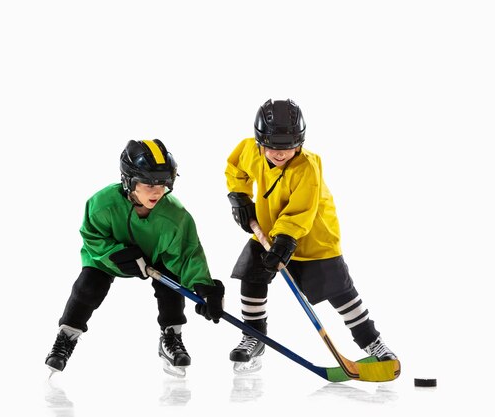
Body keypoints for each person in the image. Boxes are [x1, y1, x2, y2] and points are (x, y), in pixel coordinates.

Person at [225, 98, 397, 372]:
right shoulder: (249, 150)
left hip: (313, 237)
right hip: (269, 229)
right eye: (272, 147)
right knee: (252, 275)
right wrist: (239, 197)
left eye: (288, 147)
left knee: (339, 291)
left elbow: (300, 211)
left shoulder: (308, 167)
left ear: (300, 142)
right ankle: (253, 336)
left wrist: (284, 239)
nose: (280, 154)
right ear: (260, 141)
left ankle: (372, 342)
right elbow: (236, 169)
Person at [45, 139, 225, 377]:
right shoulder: (102, 204)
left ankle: (171, 336)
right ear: (129, 181)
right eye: (148, 183)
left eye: (163, 183)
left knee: (171, 289)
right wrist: (115, 254)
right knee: (88, 286)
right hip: (107, 258)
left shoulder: (176, 215)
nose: (157, 190)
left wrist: (204, 286)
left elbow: (187, 253)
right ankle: (66, 337)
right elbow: (91, 235)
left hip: (156, 259)